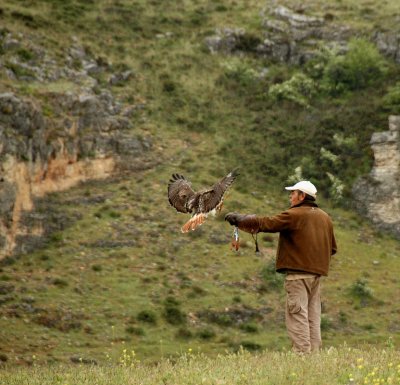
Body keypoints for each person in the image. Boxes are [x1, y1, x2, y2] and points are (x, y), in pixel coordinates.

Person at [225, 180, 337, 354]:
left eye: (293, 193)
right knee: (312, 317)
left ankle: (302, 356)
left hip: (298, 277)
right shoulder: (325, 217)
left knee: (297, 314)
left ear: (302, 196)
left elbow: (269, 223)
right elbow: (332, 249)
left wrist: (241, 220)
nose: (290, 196)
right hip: (316, 277)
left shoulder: (296, 214)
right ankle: (314, 356)